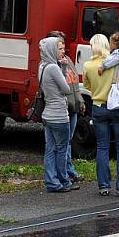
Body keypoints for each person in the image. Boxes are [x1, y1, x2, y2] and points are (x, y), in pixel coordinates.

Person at [83, 33, 119, 196]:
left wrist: (97, 90)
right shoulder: (118, 63)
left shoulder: (88, 66)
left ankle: (103, 186)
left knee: (102, 146)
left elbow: (87, 85)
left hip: (98, 107)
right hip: (117, 108)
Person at [39, 36, 79, 193]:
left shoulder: (42, 66)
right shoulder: (53, 68)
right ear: (51, 50)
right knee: (62, 149)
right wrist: (62, 68)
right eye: (57, 48)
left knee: (50, 149)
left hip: (47, 114)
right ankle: (63, 181)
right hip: (59, 115)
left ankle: (51, 180)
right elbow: (66, 88)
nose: (60, 51)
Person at [47, 30, 85, 184]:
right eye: (59, 45)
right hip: (61, 109)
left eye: (63, 45)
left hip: (73, 107)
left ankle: (68, 170)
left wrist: (80, 100)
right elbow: (61, 88)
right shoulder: (52, 66)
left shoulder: (68, 60)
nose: (62, 49)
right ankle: (64, 173)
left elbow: (74, 83)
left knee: (67, 141)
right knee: (59, 145)